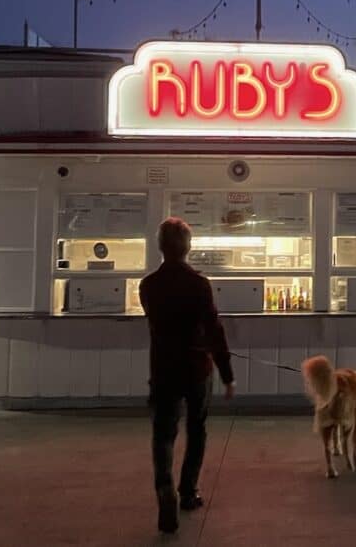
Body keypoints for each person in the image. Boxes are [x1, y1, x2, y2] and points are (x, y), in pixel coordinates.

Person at [139, 217, 235, 535]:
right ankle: (188, 491)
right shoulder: (199, 284)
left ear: (160, 247)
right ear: (188, 246)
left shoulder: (148, 286)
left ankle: (164, 489)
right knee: (197, 429)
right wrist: (226, 372)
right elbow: (214, 331)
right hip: (196, 369)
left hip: (164, 368)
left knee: (163, 434)